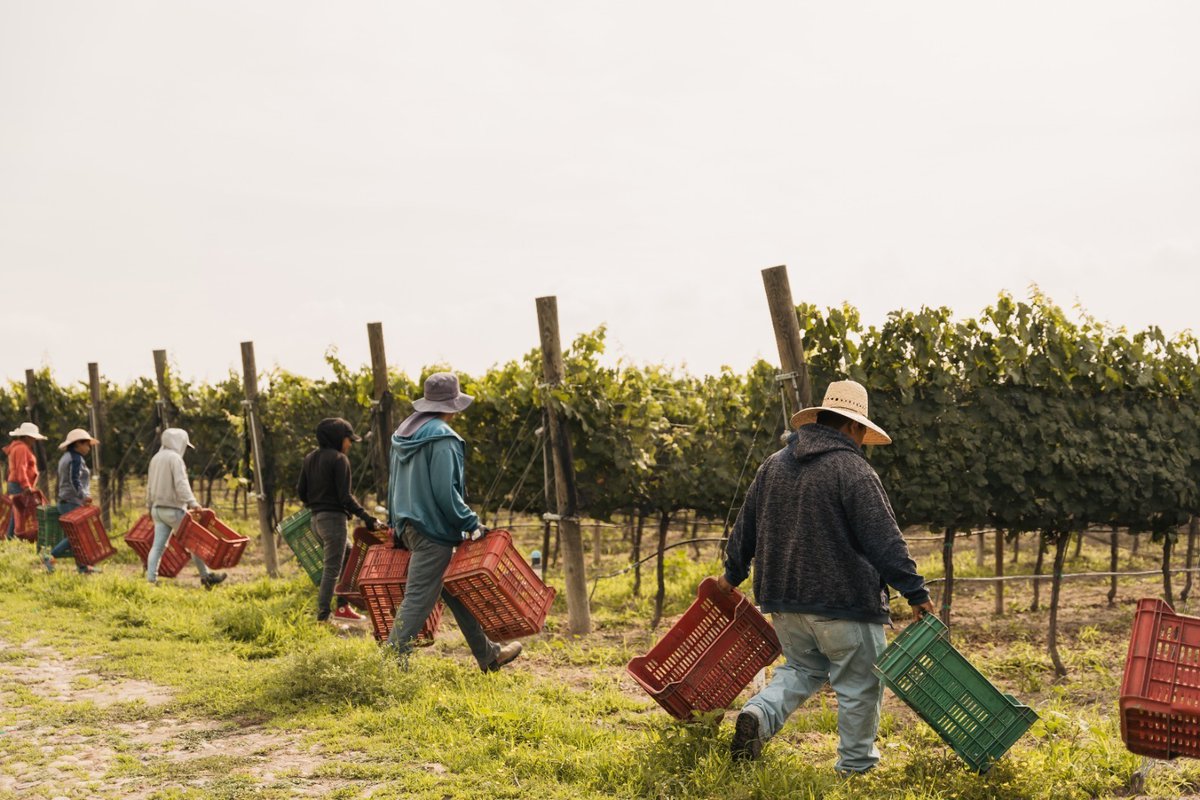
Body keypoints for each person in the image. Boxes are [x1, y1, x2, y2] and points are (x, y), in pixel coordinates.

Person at [721, 380, 934, 775]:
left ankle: (758, 713)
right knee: (858, 685)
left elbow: (744, 529)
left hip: (783, 601)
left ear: (819, 419)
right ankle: (855, 768)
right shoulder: (852, 469)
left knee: (802, 670)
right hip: (845, 602)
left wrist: (732, 575)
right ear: (852, 427)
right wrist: (914, 590)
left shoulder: (773, 465)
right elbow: (883, 538)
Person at [384, 372, 522, 672]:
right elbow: (446, 493)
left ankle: (489, 655)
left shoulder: (403, 434)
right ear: (452, 405)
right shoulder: (444, 438)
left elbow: (392, 484)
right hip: (434, 530)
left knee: (456, 590)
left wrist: (393, 523)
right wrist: (471, 521)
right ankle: (388, 667)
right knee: (418, 598)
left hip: (409, 526)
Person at [296, 417, 380, 623]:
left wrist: (318, 504)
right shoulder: (339, 459)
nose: (350, 444)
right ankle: (323, 617)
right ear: (337, 438)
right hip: (333, 521)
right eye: (347, 439)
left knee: (349, 555)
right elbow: (345, 497)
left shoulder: (309, 458)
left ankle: (342, 607)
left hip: (316, 521)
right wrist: (367, 518)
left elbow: (301, 492)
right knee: (332, 569)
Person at [146, 428, 226, 588]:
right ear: (178, 442)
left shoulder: (156, 458)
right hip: (173, 510)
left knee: (157, 547)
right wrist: (193, 502)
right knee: (195, 542)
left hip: (157, 510)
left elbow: (149, 486)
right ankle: (206, 576)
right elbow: (181, 483)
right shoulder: (175, 459)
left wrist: (149, 507)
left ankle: (151, 580)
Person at [41, 428, 101, 574]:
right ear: (77, 444)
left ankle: (82, 566)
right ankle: (50, 556)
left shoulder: (66, 457)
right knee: (77, 536)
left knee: (77, 536)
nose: (88, 448)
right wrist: (83, 496)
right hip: (71, 502)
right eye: (86, 444)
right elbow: (74, 480)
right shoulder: (75, 459)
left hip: (66, 500)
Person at [4, 422, 46, 540]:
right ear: (27, 437)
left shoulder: (18, 447)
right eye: (33, 437)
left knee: (16, 511)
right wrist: (26, 485)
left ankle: (11, 536)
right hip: (19, 484)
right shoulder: (22, 448)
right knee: (18, 512)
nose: (34, 440)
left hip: (16, 483)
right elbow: (21, 468)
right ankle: (11, 536)